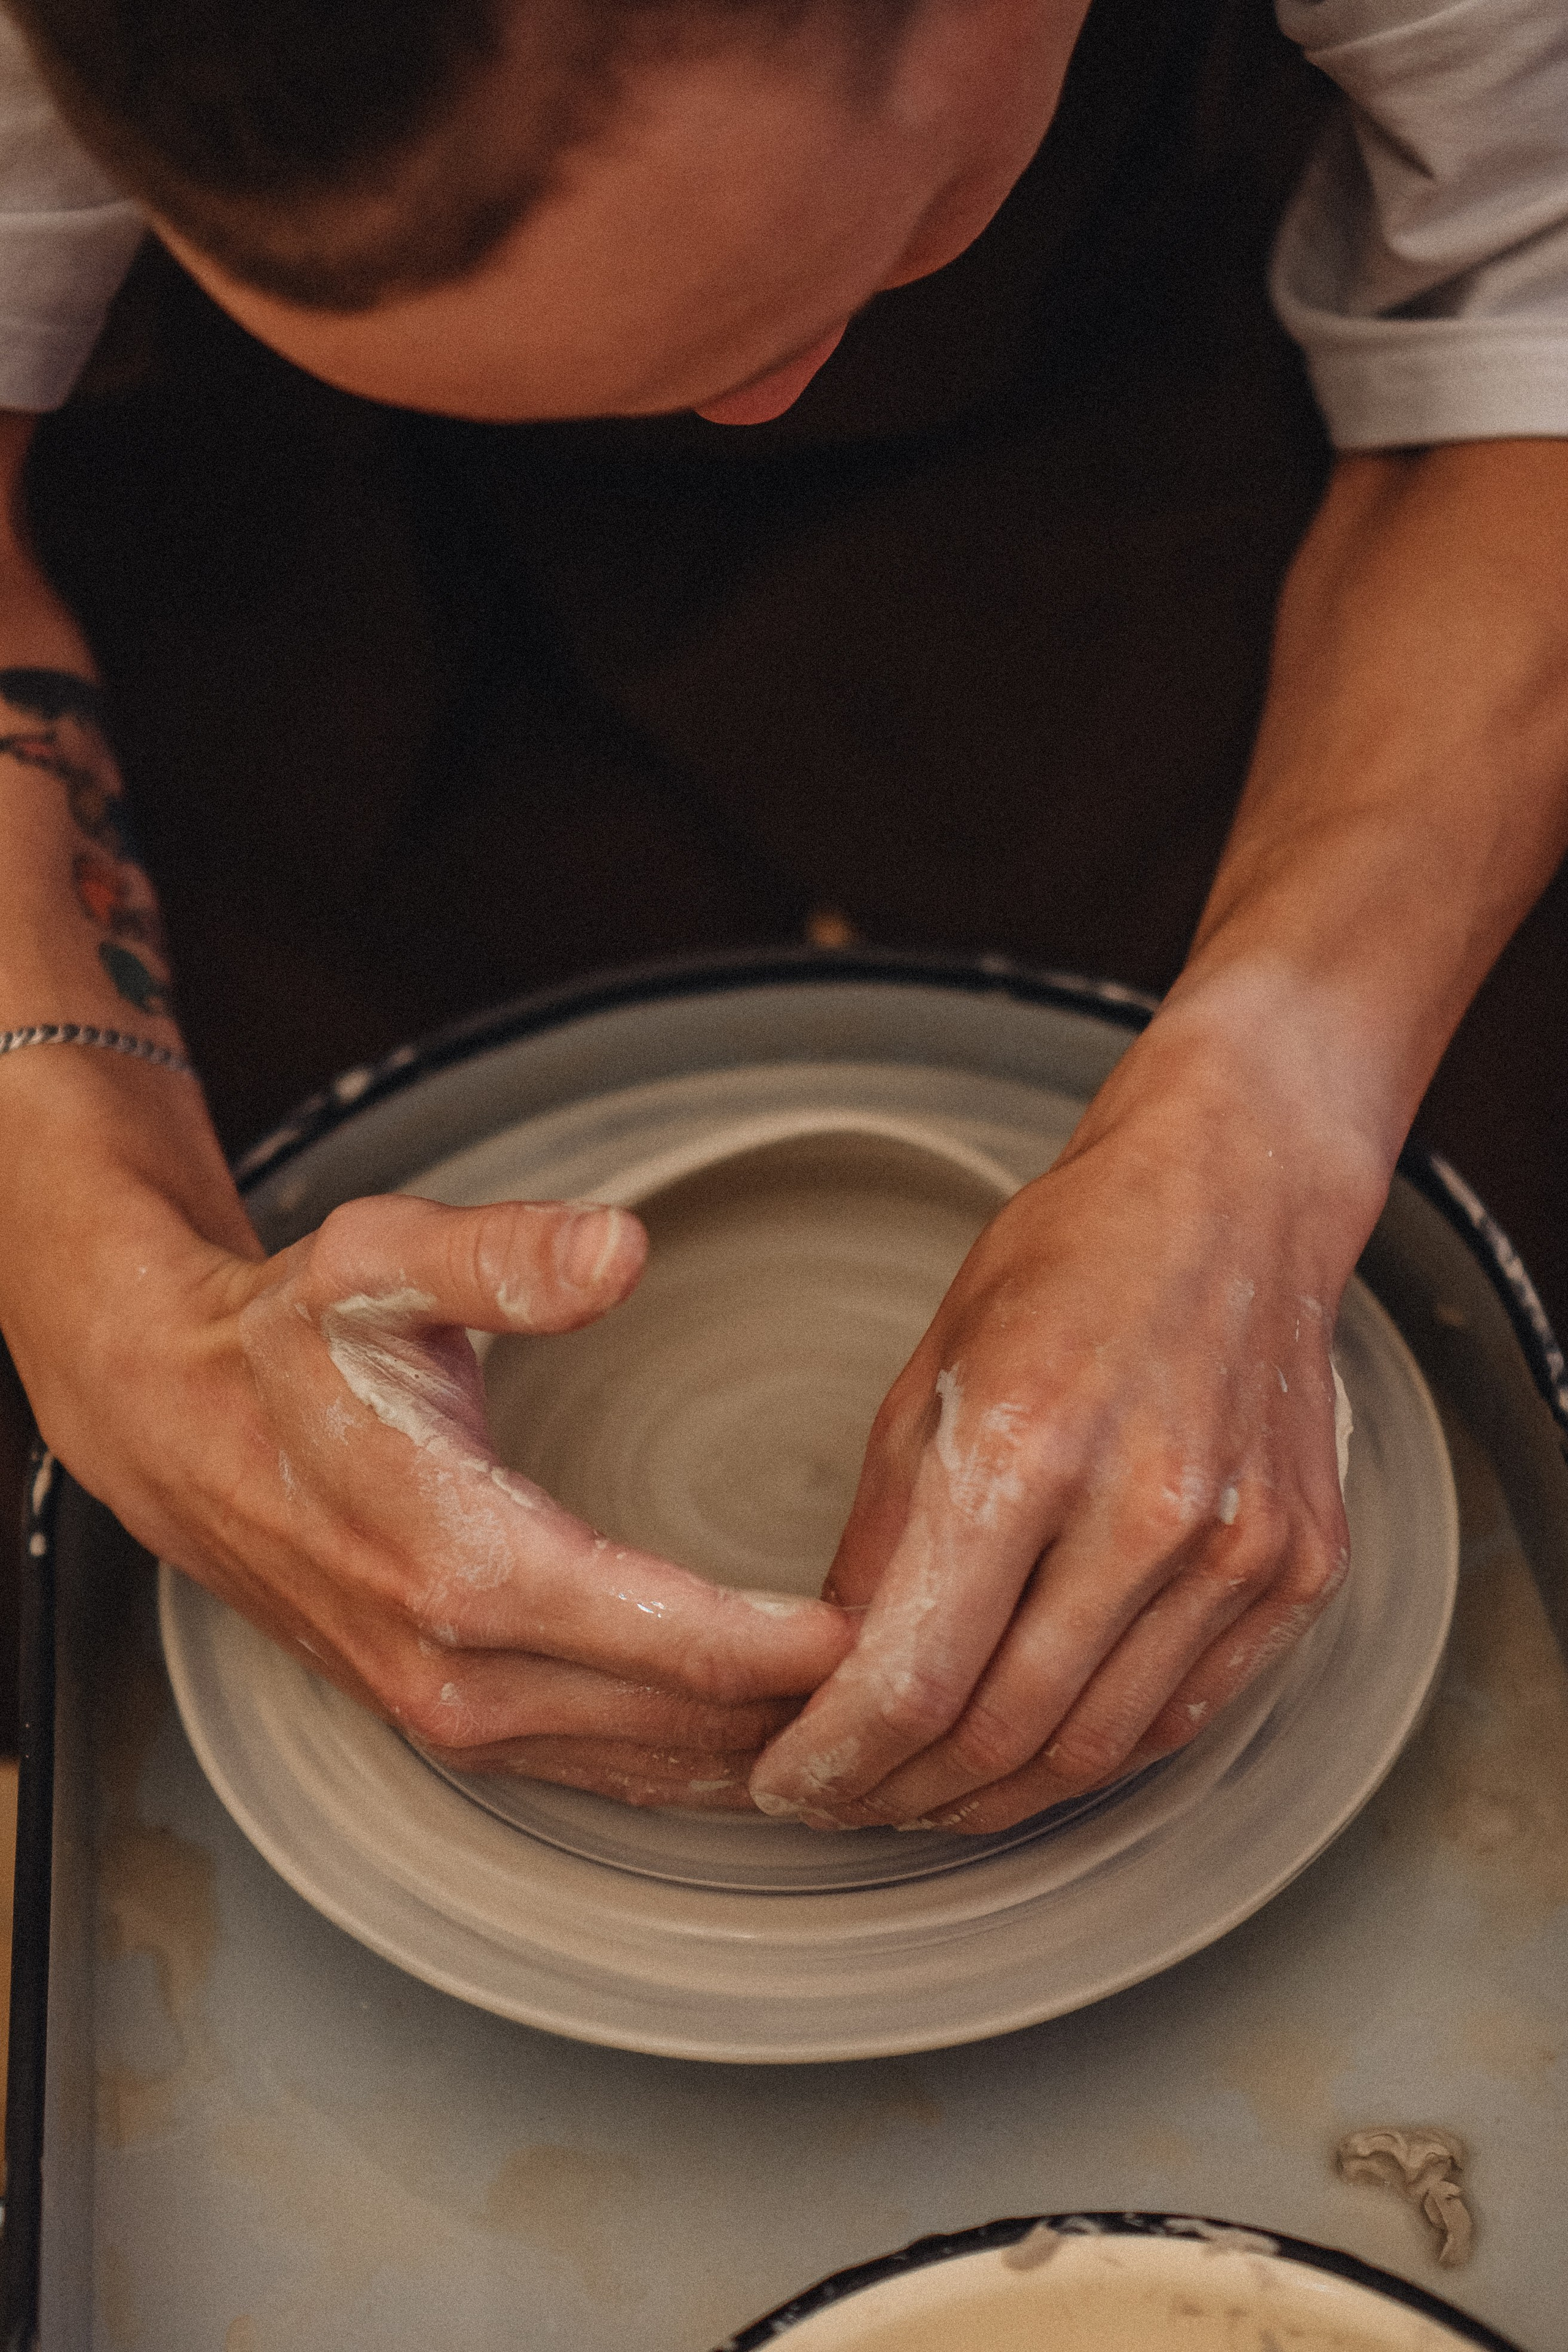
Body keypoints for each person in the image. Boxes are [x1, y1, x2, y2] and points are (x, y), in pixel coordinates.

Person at [0, 0, 1563, 1831]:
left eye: (814, 280)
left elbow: (1527, 355)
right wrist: (92, 1272)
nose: (731, 412)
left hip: (1135, 335)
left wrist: (1266, 1136)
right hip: (261, 469)